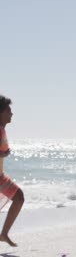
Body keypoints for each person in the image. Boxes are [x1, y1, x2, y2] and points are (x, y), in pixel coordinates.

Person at [0, 95, 25, 247]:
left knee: (19, 197)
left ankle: (3, 234)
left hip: (0, 176)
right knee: (19, 197)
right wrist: (2, 153)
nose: (11, 114)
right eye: (9, 111)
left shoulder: (2, 129)